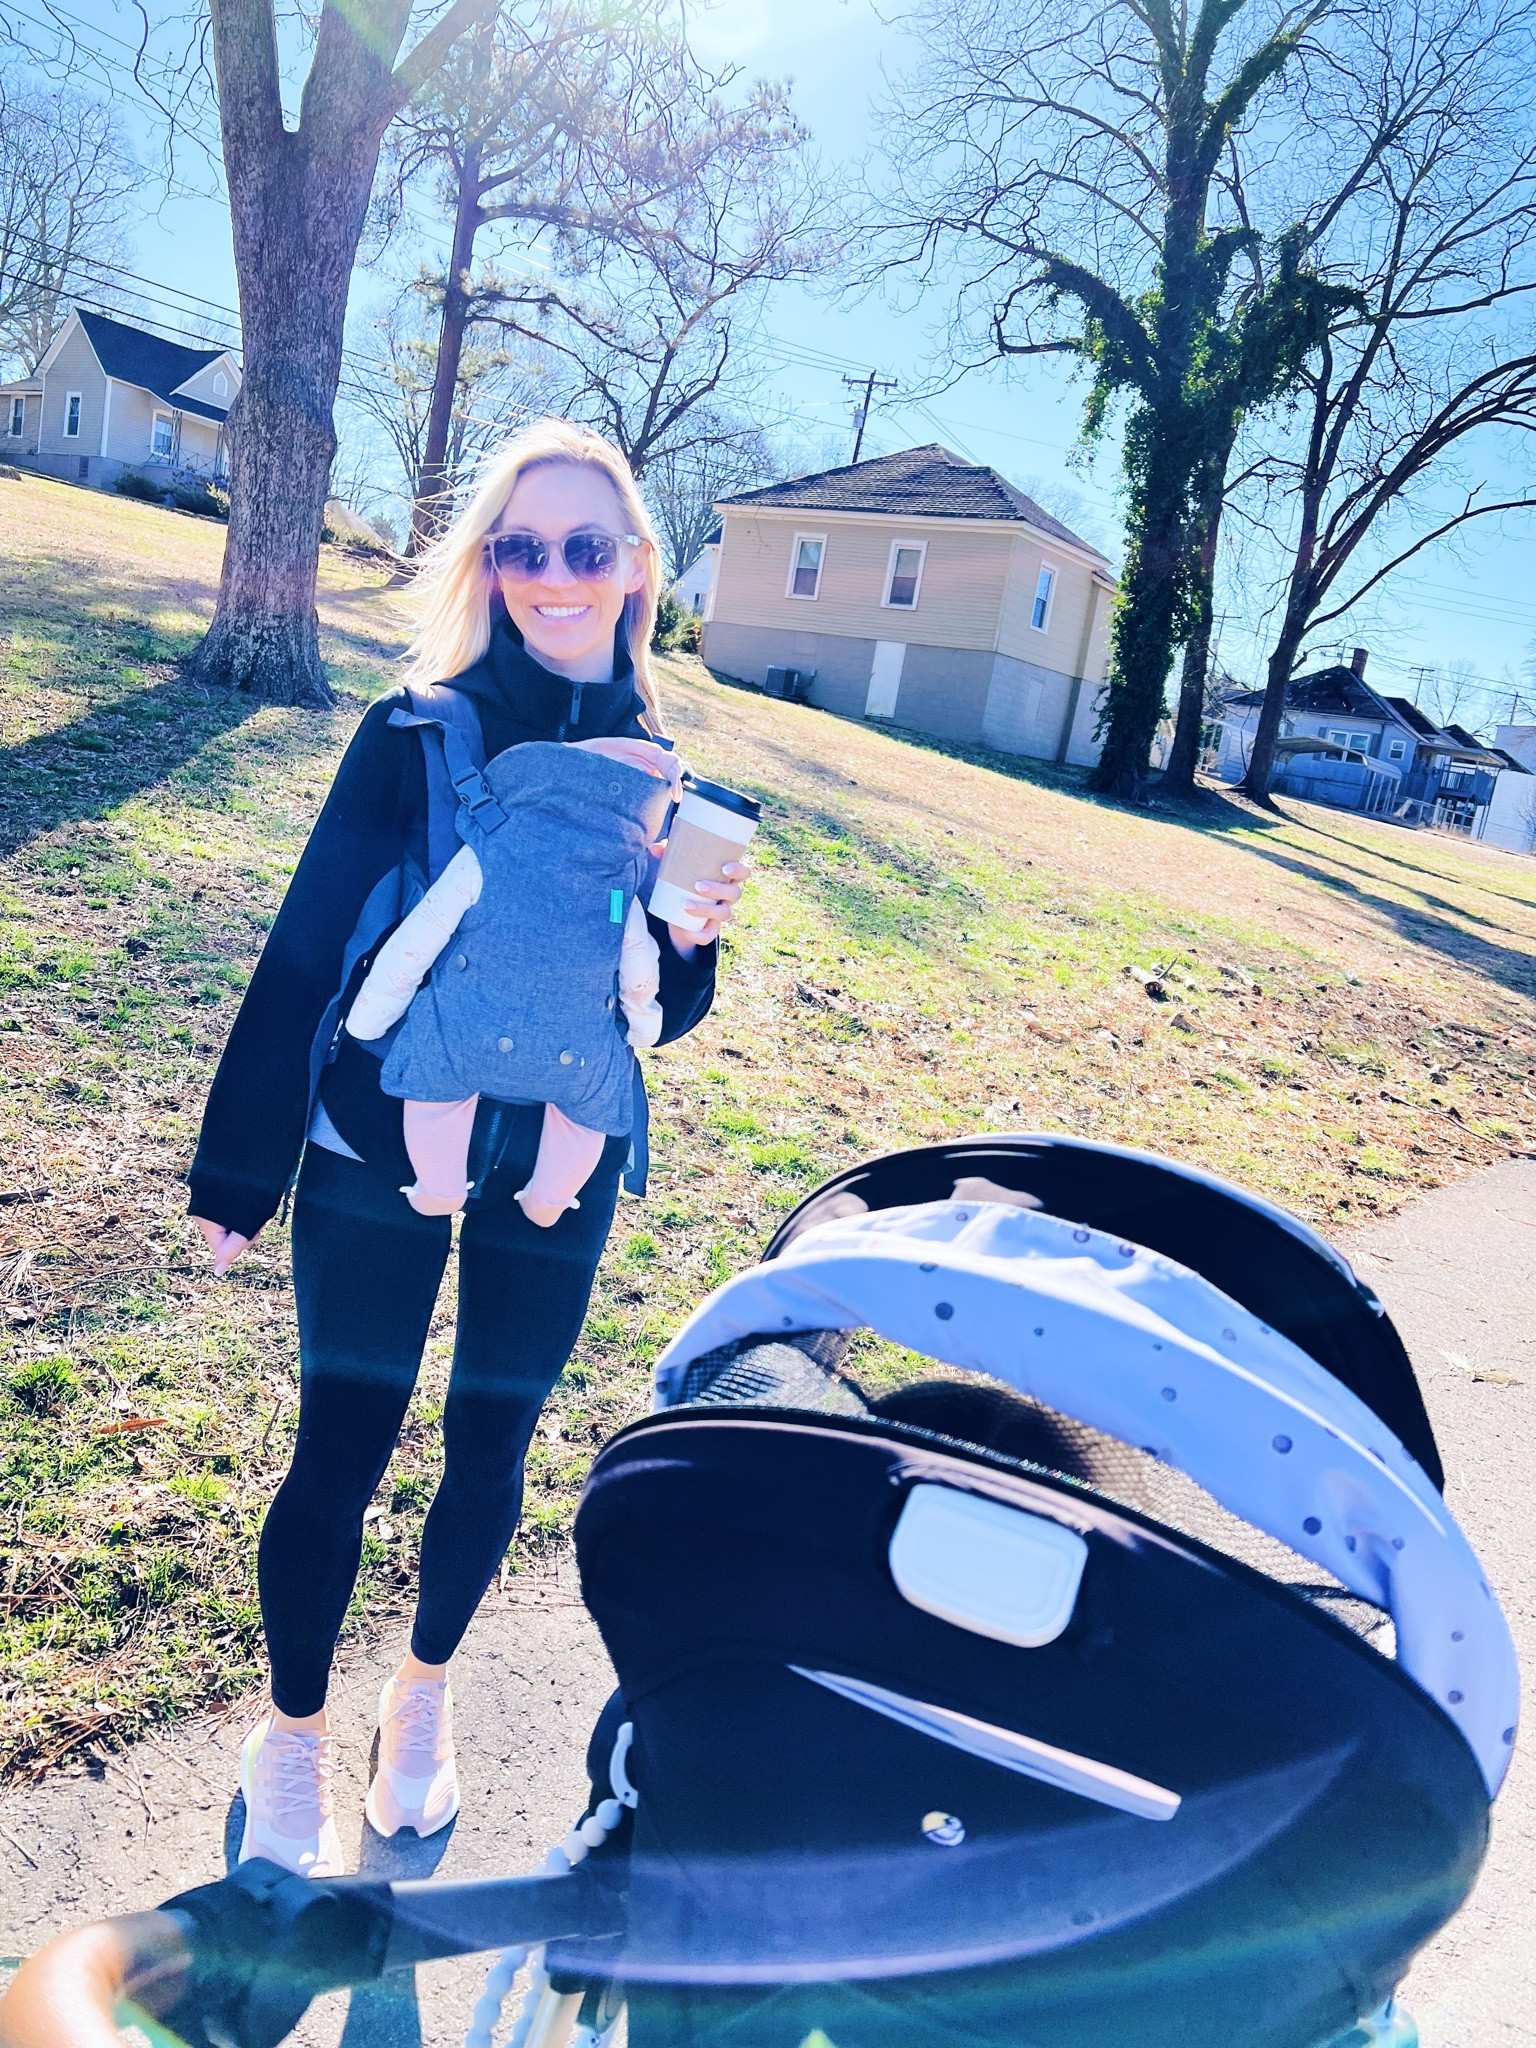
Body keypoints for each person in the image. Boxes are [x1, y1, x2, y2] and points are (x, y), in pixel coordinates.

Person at [187, 419, 747, 1878]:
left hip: (557, 1161)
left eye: (585, 546)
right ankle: (292, 1732)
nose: (554, 574)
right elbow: (309, 938)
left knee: (491, 1444)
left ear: (637, 568)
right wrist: (240, 1166)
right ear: (490, 566)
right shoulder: (413, 729)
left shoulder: (669, 774)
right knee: (342, 1447)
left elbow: (658, 1011)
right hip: (383, 1131)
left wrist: (693, 942)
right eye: (522, 546)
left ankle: (422, 1695)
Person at [345, 732, 677, 1224]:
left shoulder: (489, 846)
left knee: (435, 1097)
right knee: (584, 1117)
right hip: (576, 1053)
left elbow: (418, 939)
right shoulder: (617, 881)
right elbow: (638, 966)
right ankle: (550, 1199)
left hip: (464, 1034)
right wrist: (644, 1023)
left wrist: (369, 1017)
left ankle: (439, 1186)